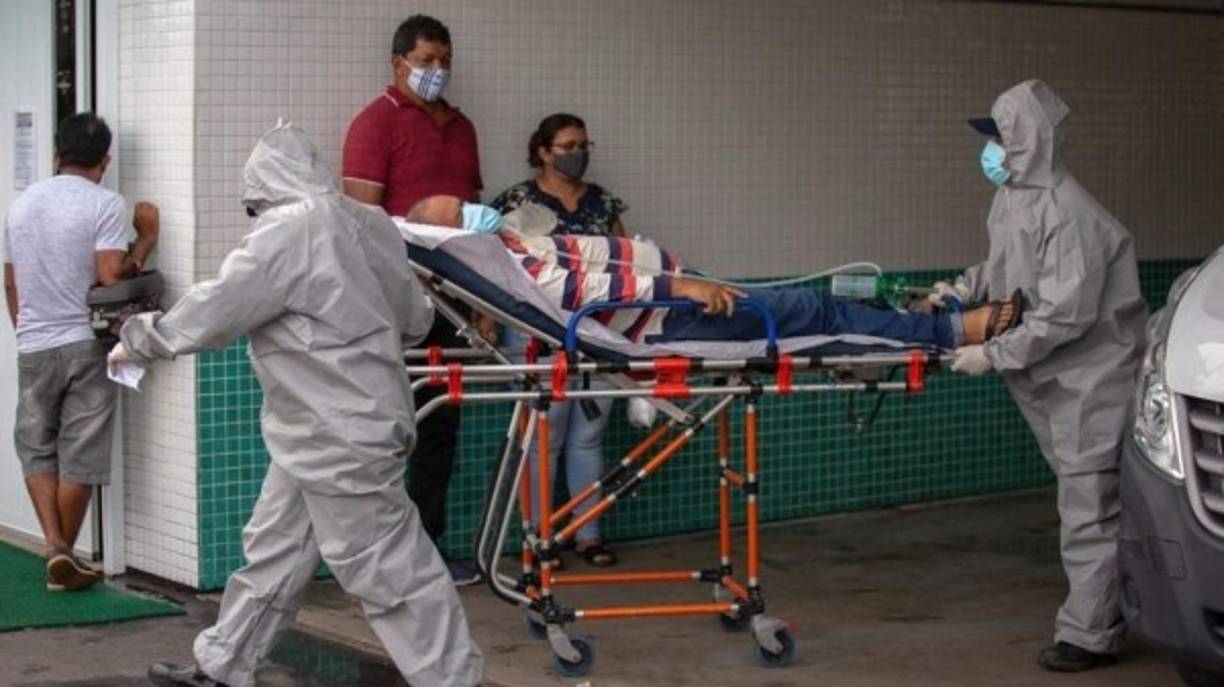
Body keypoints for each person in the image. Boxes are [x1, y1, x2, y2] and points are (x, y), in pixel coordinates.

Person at [113, 123, 482, 687]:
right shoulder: (373, 224)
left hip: (332, 431)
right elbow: (414, 320)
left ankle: (452, 680)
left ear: (263, 191)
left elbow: (220, 306)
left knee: (387, 566)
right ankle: (224, 662)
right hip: (336, 424)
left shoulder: (287, 229)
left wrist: (140, 337)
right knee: (277, 548)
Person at [942, 79, 1147, 672]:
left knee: (1091, 508)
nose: (991, 150)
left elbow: (1065, 315)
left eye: (999, 138)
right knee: (1086, 501)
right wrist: (962, 287)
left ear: (1028, 139)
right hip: (1053, 381)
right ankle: (1121, 607)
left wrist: (994, 354)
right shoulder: (1013, 197)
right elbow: (1006, 265)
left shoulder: (1069, 212)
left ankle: (1090, 635)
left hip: (1091, 381)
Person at [406, 195, 1021, 351]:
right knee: (820, 316)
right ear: (459, 237)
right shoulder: (515, 267)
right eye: (463, 211)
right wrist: (682, 286)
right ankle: (949, 333)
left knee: (821, 311)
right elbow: (589, 288)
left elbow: (596, 264)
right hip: (670, 316)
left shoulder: (510, 248)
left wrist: (677, 274)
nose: (474, 207)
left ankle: (919, 323)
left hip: (675, 295)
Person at [341, 13, 486, 585]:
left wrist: (482, 304)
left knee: (440, 427)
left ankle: (426, 553)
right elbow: (359, 224)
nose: (438, 70)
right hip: (395, 302)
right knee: (384, 428)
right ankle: (377, 558)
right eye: (426, 61)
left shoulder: (463, 127)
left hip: (456, 300)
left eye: (445, 60)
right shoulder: (376, 123)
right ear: (398, 63)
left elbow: (474, 221)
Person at [2, 112, 159, 592]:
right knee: (80, 452)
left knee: (36, 445)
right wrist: (146, 239)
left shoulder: (21, 206)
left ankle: (56, 548)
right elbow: (110, 275)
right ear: (104, 161)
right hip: (87, 344)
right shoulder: (105, 203)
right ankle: (60, 556)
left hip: (34, 343)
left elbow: (10, 281)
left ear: (57, 155)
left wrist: (25, 330)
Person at [491, 114, 628, 568]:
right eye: (568, 146)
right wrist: (485, 317)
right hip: (536, 326)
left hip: (597, 324)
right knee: (541, 437)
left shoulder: (603, 202)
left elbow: (625, 259)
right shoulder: (518, 200)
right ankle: (539, 537)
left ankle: (587, 534)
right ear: (544, 152)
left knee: (589, 435)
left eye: (584, 145)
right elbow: (494, 263)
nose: (578, 154)